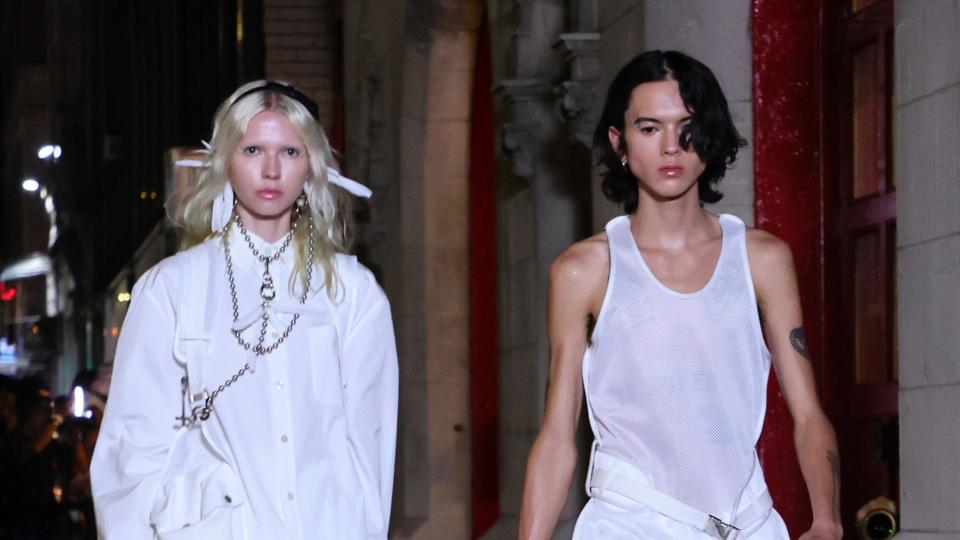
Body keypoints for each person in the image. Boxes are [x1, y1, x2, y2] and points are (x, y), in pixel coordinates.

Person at [518, 51, 842, 539]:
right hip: (629, 523)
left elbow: (808, 410)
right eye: (649, 128)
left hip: (748, 521)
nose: (671, 146)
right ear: (619, 142)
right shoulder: (584, 270)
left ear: (709, 138)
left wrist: (827, 520)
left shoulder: (762, 258)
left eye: (686, 127)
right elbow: (559, 431)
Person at [91, 81, 399, 539]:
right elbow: (132, 449)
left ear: (311, 164)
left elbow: (369, 447)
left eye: (291, 152)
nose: (272, 170)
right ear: (225, 161)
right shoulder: (172, 288)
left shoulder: (353, 293)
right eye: (253, 149)